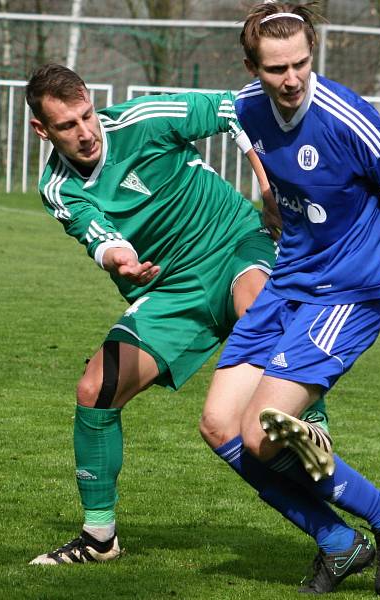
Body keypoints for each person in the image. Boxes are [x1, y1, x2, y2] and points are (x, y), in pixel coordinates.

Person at [198, 2, 380, 594]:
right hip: (286, 285)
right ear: (252, 66)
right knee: (219, 424)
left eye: (301, 63)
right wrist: (275, 200)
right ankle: (338, 542)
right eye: (276, 69)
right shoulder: (247, 108)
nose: (292, 79)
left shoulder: (348, 117)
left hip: (347, 294)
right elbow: (281, 174)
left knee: (261, 431)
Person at [24, 63, 327, 565]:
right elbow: (98, 236)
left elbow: (237, 109)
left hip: (233, 243)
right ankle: (99, 539)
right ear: (42, 130)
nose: (85, 133)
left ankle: (313, 427)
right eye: (67, 126)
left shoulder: (145, 117)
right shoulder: (58, 186)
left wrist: (268, 188)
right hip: (171, 289)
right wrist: (119, 256)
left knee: (259, 310)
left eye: (86, 116)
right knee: (95, 389)